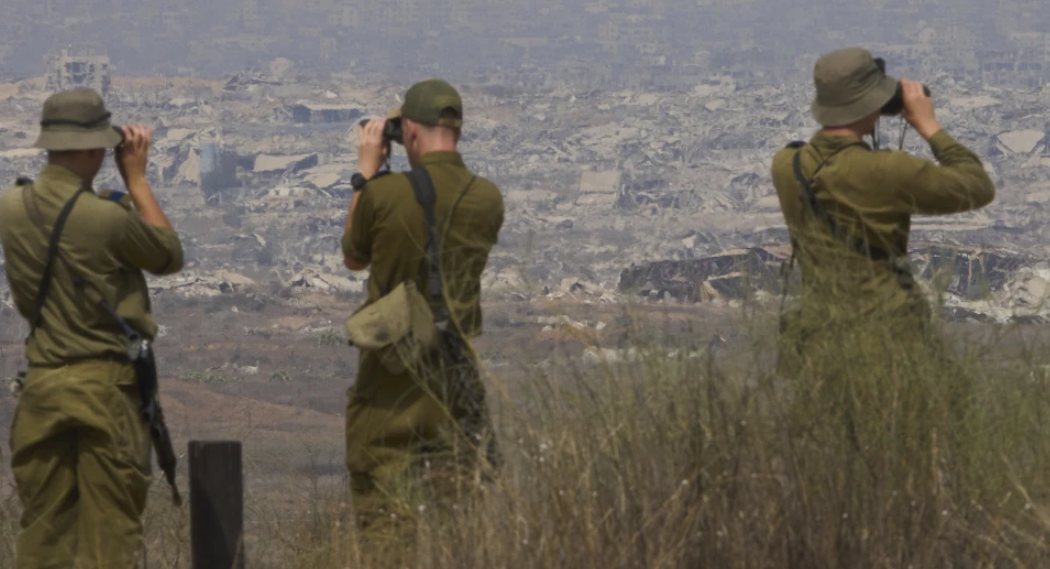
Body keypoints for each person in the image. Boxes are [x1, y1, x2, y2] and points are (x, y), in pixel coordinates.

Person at [0, 88, 183, 569]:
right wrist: (137, 179)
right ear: (89, 148)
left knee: (42, 532)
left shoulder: (11, 208)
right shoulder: (106, 218)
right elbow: (168, 255)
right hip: (105, 389)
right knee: (110, 538)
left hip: (40, 387)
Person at [341, 78, 504, 549]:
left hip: (391, 377)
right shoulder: (487, 199)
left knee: (388, 526)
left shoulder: (385, 194)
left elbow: (354, 254)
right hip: (455, 377)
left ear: (409, 131)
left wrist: (366, 173)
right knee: (457, 528)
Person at [771, 47, 995, 368]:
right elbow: (976, 186)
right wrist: (928, 125)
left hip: (821, 348)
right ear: (871, 102)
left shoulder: (787, 164)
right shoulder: (885, 170)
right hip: (889, 346)